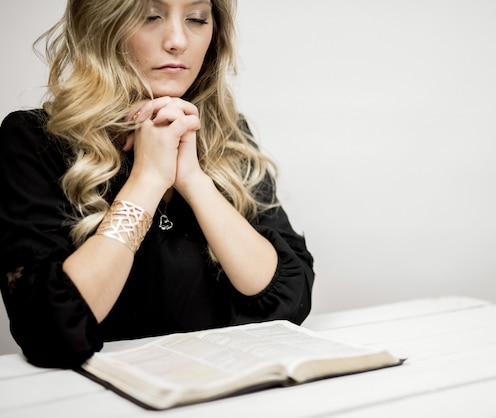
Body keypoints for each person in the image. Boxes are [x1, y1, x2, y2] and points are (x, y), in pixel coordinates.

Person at [0, 0, 314, 368]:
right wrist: (147, 180)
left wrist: (193, 181)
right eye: (150, 16)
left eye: (197, 19)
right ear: (104, 25)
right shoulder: (34, 140)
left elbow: (291, 302)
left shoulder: (229, 138)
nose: (178, 40)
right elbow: (50, 333)